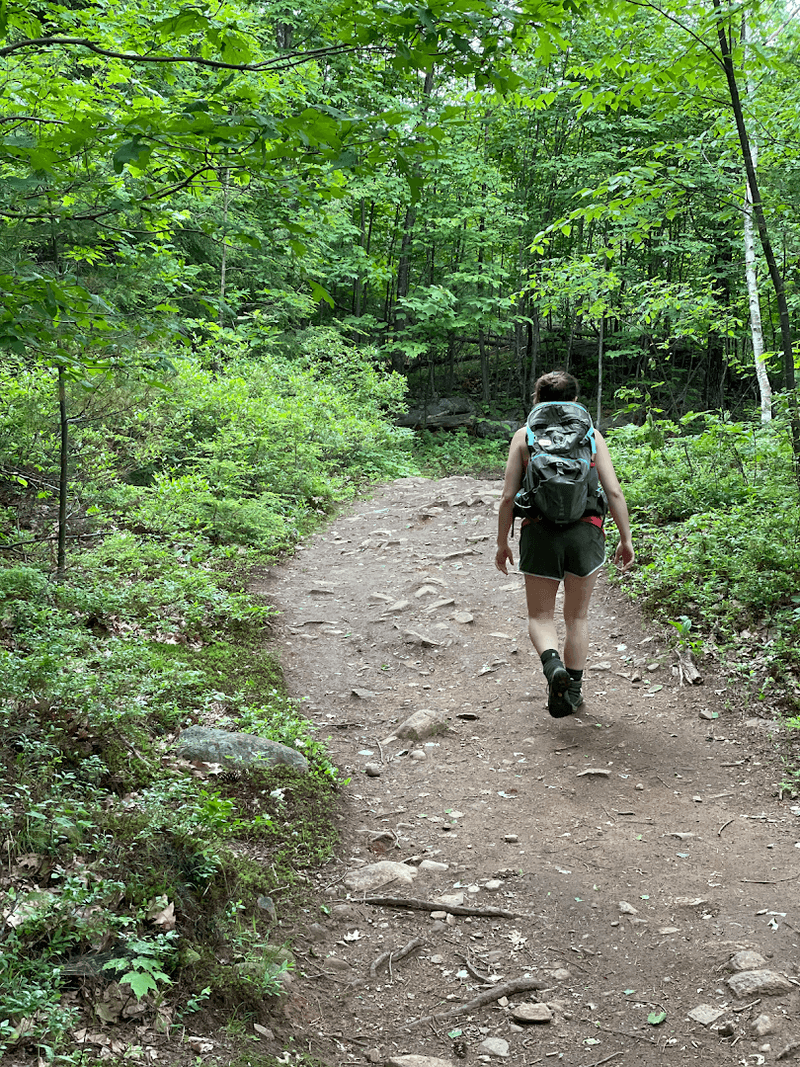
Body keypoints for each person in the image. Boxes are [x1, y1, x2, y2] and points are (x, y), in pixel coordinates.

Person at [495, 371, 635, 717]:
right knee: (577, 617)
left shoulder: (524, 436)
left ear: (536, 399)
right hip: (585, 532)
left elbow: (507, 497)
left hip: (539, 532)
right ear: (574, 400)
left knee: (541, 615)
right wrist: (626, 538)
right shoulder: (591, 435)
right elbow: (614, 491)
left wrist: (502, 543)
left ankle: (551, 665)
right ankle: (572, 691)